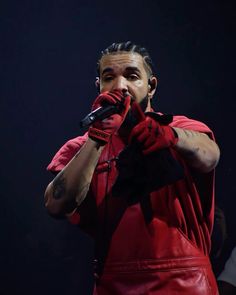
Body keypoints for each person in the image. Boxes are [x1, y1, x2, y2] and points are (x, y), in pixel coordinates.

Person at [44, 41, 221, 294]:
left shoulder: (182, 128)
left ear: (151, 86)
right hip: (114, 284)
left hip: (185, 282)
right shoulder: (82, 147)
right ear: (98, 86)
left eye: (132, 76)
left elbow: (210, 155)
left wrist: (169, 136)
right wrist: (97, 138)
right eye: (109, 78)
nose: (119, 87)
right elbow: (56, 206)